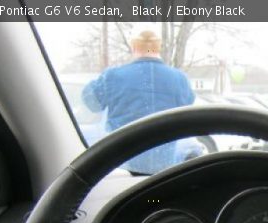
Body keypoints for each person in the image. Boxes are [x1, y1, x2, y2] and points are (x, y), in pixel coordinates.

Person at [82, 30, 195, 174]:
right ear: (158, 47)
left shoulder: (114, 77)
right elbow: (187, 109)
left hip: (123, 169)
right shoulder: (179, 79)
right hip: (161, 172)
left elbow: (90, 102)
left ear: (134, 46)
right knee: (154, 198)